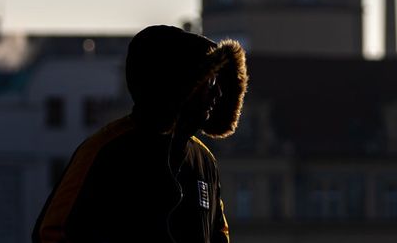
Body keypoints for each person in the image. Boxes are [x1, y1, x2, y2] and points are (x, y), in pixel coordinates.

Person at [33, 25, 248, 243]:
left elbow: (219, 235)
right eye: (210, 81)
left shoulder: (204, 161)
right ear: (180, 84)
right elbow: (51, 233)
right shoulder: (108, 151)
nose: (217, 92)